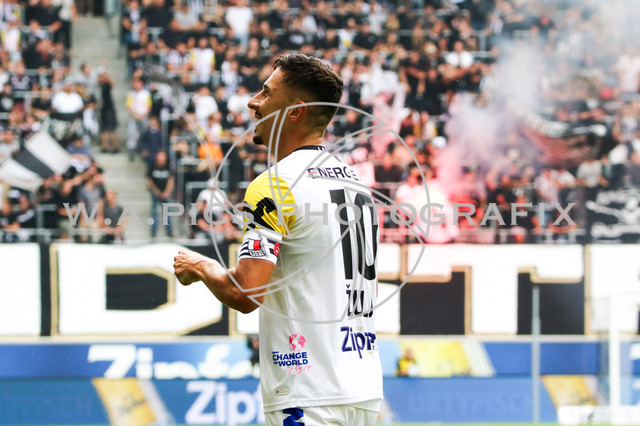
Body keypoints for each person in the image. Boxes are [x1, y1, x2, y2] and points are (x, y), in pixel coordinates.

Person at [174, 54, 383, 425]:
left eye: (266, 93)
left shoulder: (275, 184)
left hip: (308, 392)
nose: (253, 102)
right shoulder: (356, 183)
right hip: (363, 389)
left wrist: (201, 266)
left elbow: (245, 293)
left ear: (295, 111)